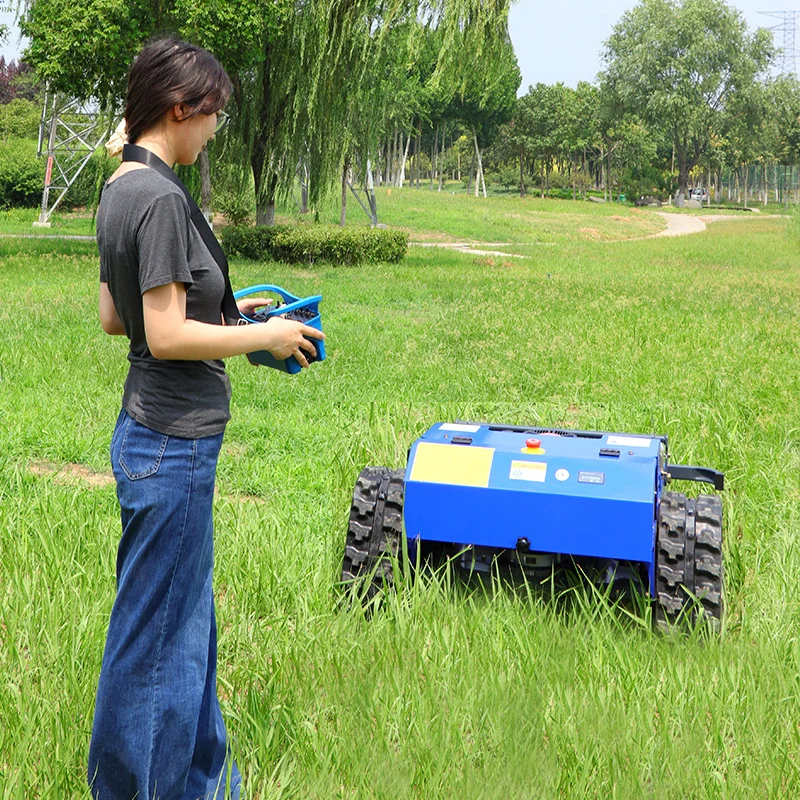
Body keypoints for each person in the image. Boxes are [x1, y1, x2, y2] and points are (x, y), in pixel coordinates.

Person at [88, 37, 324, 800]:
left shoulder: (121, 184)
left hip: (148, 435)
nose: (215, 130)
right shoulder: (158, 198)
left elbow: (114, 319)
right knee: (158, 640)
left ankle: (199, 782)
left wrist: (230, 308)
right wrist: (265, 334)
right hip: (173, 443)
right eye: (213, 115)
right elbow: (163, 333)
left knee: (182, 626)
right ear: (179, 108)